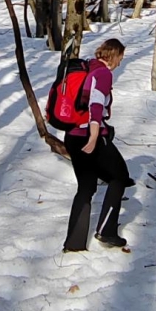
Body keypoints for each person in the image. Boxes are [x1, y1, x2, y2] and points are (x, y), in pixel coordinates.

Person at [62, 38, 133, 252]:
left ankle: (74, 244)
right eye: (121, 57)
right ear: (115, 55)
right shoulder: (103, 74)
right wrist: (94, 136)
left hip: (72, 135)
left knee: (85, 187)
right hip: (89, 135)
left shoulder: (88, 68)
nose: (120, 62)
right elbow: (95, 104)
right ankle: (106, 231)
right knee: (119, 176)